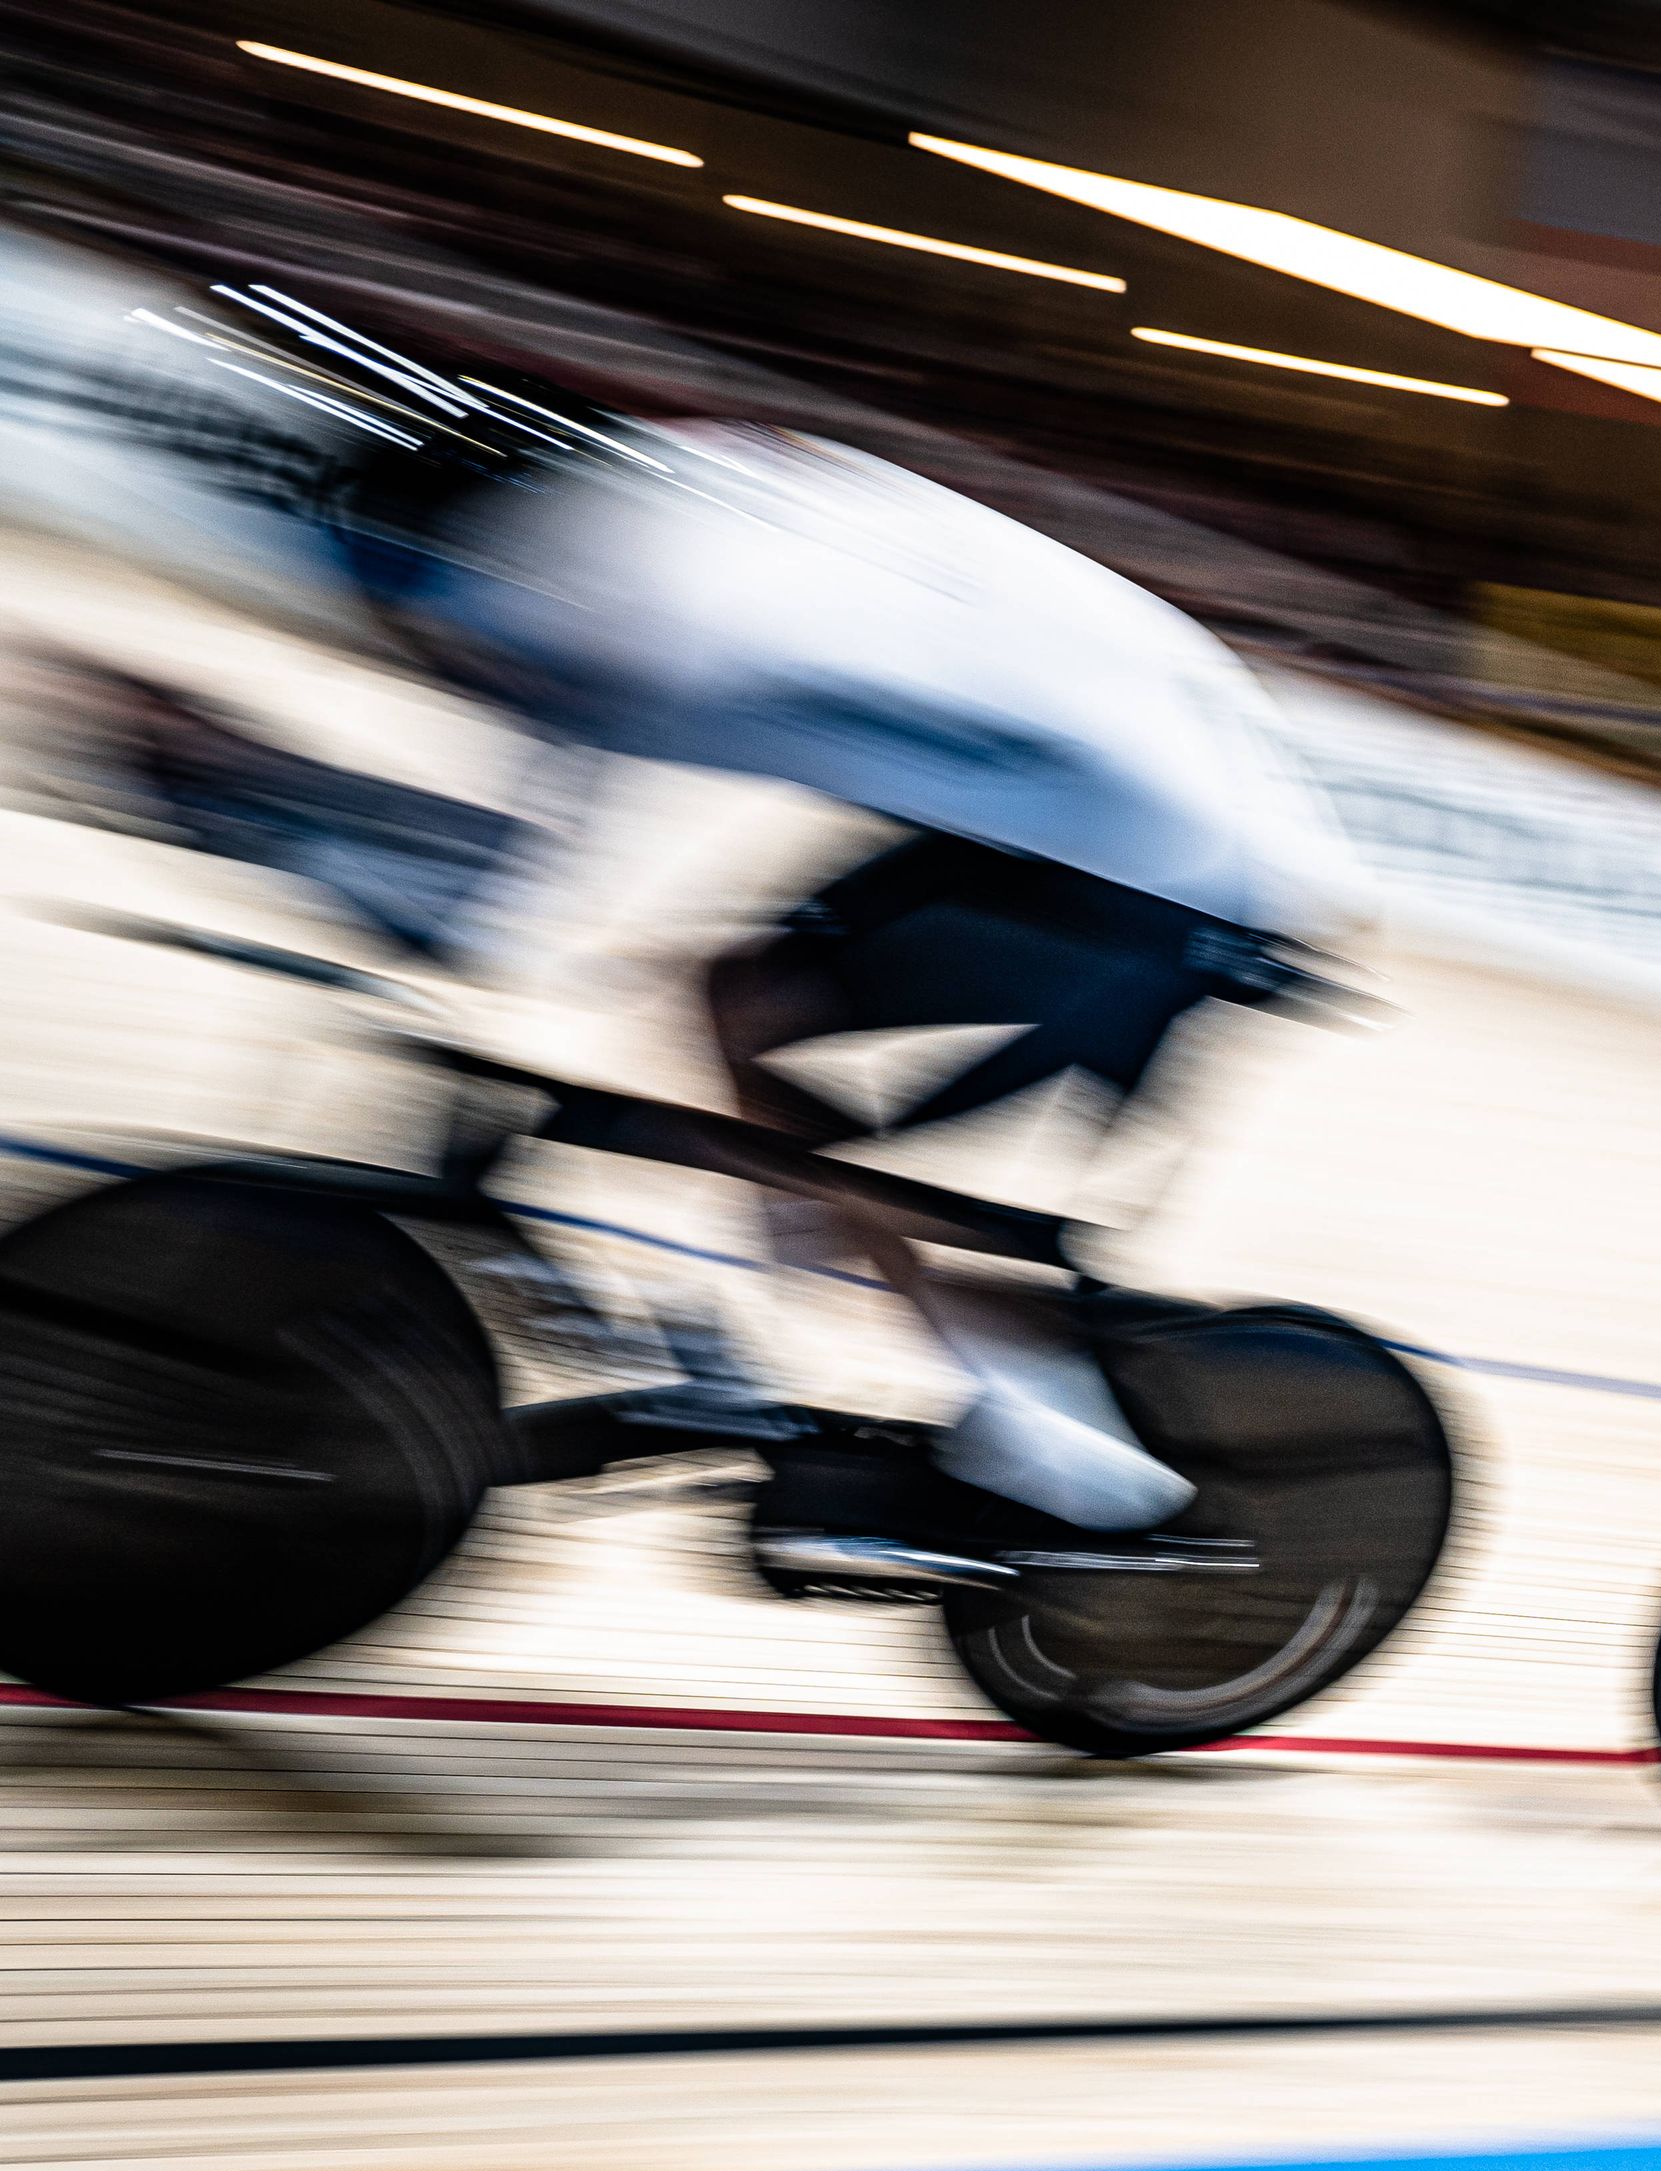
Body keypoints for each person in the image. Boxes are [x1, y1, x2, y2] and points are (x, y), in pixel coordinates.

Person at [0, 240, 1365, 1551]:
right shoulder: (599, 521)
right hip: (1107, 792)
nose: (406, 650)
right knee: (739, 1018)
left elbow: (489, 916)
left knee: (792, 1092)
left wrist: (224, 786)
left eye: (400, 622)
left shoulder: (618, 619)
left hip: (1174, 868)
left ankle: (1054, 1434)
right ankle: (822, 1292)